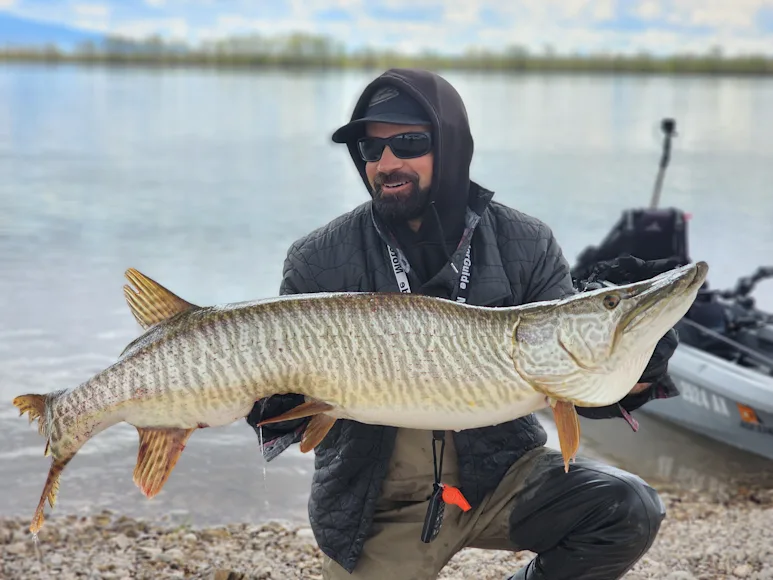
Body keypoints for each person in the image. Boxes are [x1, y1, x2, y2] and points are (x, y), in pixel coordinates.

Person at [245, 68, 681, 580]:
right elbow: (283, 417)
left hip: (499, 474)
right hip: (378, 500)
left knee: (627, 507)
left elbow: (579, 381)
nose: (386, 163)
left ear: (450, 145)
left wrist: (642, 360)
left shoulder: (526, 241)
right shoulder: (318, 258)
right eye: (370, 148)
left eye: (408, 142)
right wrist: (268, 403)